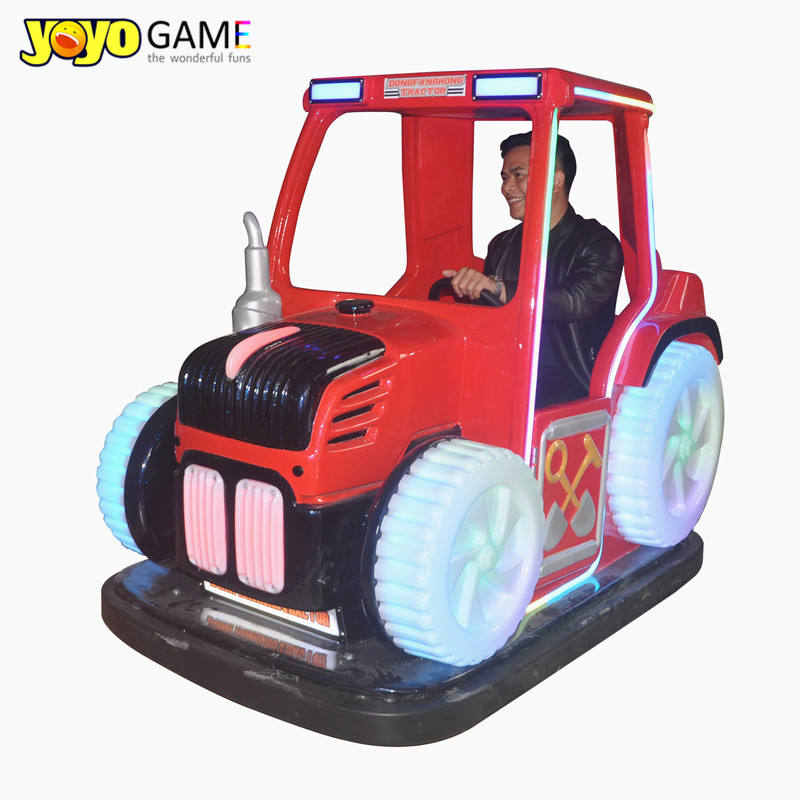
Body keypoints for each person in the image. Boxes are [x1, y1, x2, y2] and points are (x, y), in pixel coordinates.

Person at [443, 132, 624, 407]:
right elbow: (488, 321)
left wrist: (497, 288)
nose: (506, 187)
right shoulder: (501, 244)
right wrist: (466, 290)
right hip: (507, 368)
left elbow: (573, 300)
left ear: (556, 181)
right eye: (505, 177)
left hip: (570, 380)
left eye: (518, 175)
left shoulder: (598, 243)